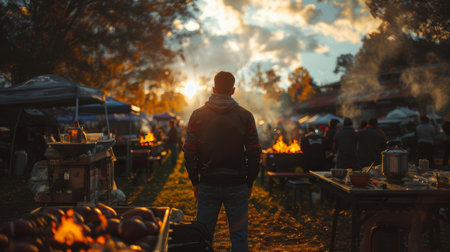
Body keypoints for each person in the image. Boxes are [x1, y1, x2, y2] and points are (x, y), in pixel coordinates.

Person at [183, 71, 261, 251]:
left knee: (203, 236)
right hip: (237, 184)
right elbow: (254, 152)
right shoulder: (245, 116)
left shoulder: (197, 115)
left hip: (208, 183)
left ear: (213, 89)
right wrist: (250, 182)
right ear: (233, 90)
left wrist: (195, 181)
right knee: (239, 236)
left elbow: (189, 151)